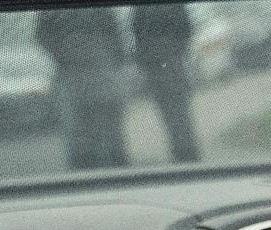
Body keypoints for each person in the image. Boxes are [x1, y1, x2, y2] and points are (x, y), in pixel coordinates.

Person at [34, 9, 129, 170]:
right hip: (91, 77)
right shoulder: (100, 11)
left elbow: (43, 37)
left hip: (85, 77)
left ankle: (95, 176)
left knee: (92, 134)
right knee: (97, 134)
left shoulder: (53, 11)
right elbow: (118, 43)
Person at [131, 4, 200, 163]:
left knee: (174, 119)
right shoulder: (173, 5)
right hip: (172, 69)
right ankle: (189, 158)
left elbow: (138, 41)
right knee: (181, 119)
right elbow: (187, 32)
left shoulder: (141, 8)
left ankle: (184, 157)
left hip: (159, 71)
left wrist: (146, 61)